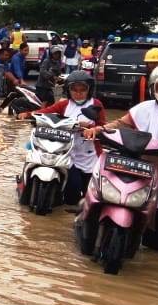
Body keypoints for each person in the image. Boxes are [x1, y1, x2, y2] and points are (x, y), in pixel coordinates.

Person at [83, 62, 158, 253]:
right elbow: (121, 124)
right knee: (145, 213)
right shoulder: (143, 109)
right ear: (153, 88)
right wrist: (99, 129)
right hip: (148, 167)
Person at [21, 70, 106, 205]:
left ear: (89, 90)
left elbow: (103, 126)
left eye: (82, 89)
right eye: (74, 89)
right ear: (68, 90)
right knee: (72, 190)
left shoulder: (96, 104)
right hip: (69, 152)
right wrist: (29, 114)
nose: (78, 93)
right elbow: (47, 112)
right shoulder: (64, 104)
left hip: (90, 154)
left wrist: (93, 129)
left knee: (90, 193)